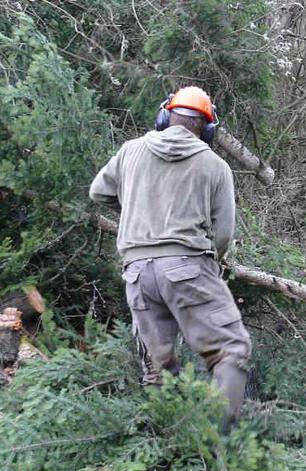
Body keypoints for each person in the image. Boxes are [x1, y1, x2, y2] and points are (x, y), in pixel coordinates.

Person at [89, 86, 251, 432]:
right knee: (231, 349)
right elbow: (223, 233)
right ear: (207, 128)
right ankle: (226, 444)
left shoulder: (130, 151)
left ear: (165, 116)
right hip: (188, 267)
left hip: (137, 273)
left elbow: (98, 192)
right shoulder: (215, 165)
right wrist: (215, 263)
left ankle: (166, 444)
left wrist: (137, 212)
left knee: (158, 366)